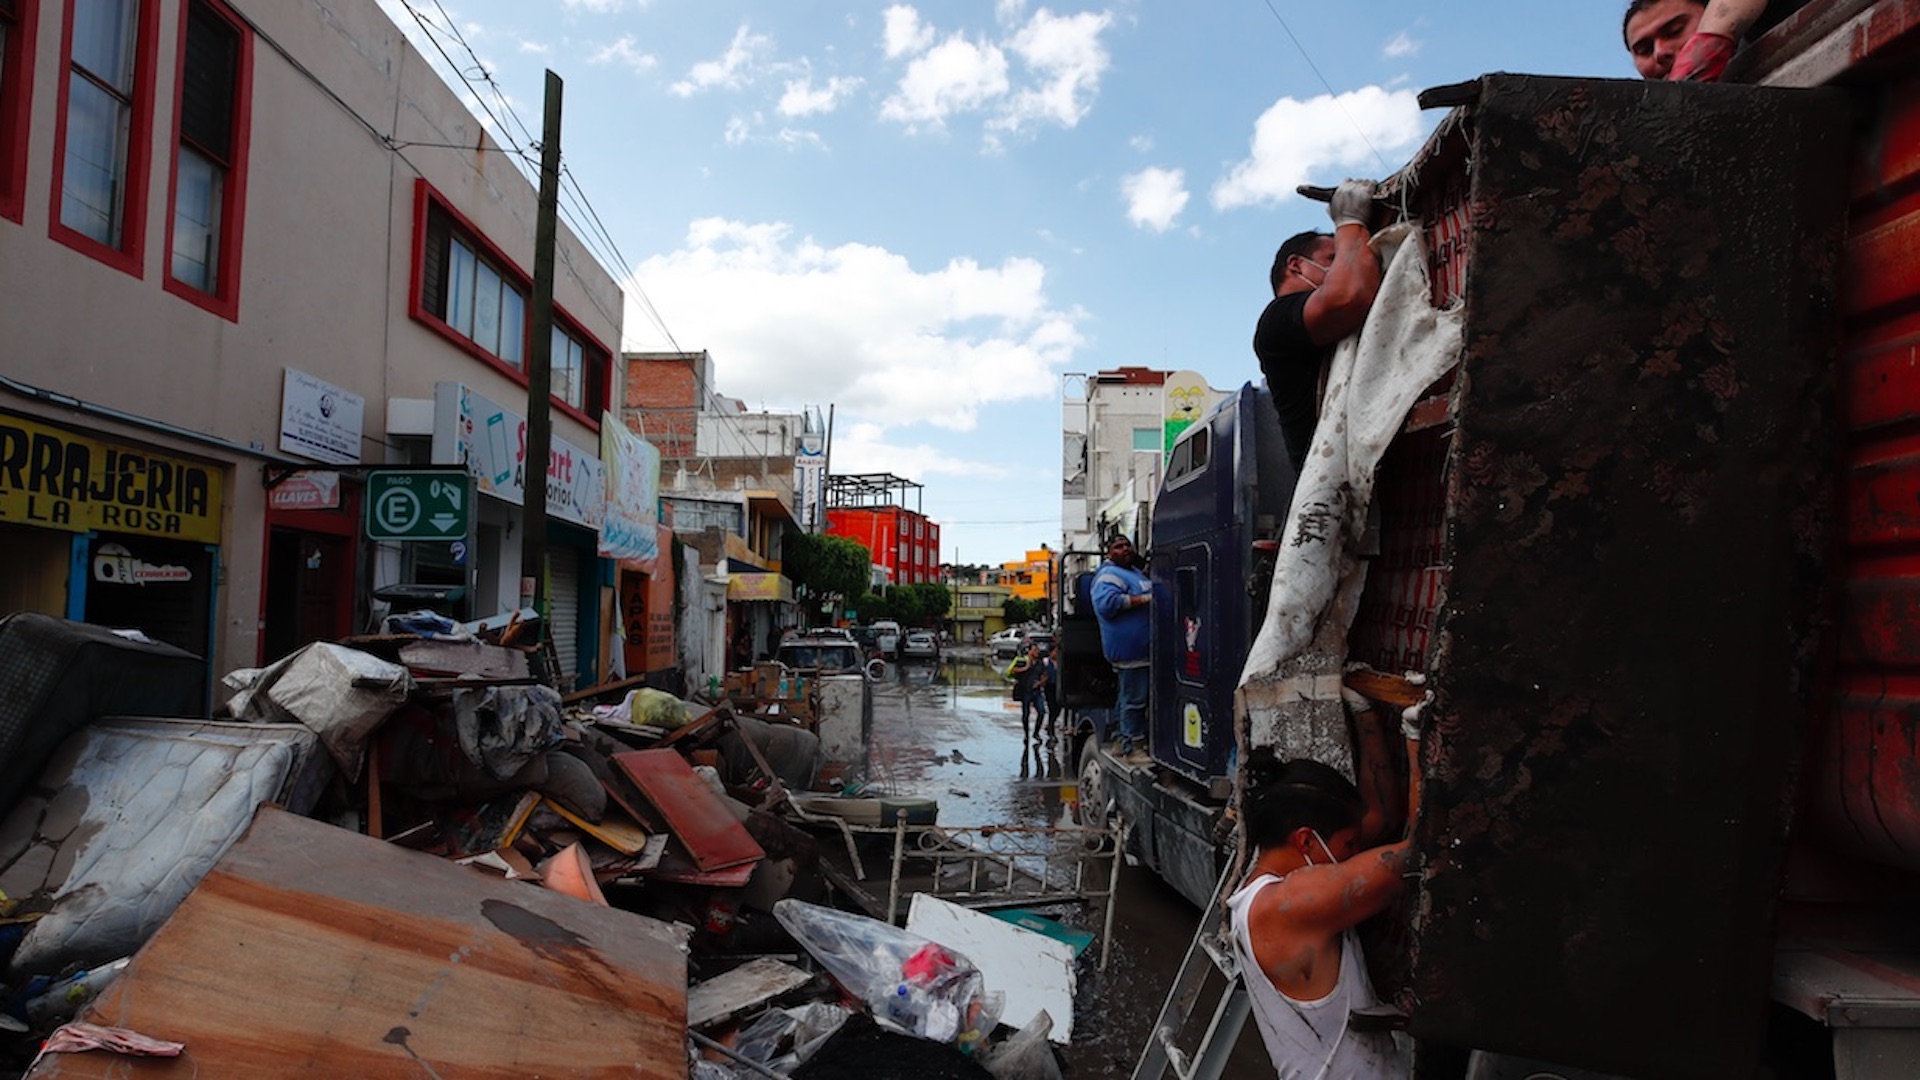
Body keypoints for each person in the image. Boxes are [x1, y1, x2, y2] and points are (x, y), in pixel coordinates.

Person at [1229, 688, 1421, 1078]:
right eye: (1349, 845)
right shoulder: (1291, 905)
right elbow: (1418, 853)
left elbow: (1380, 819)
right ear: (1304, 840)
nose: (1355, 852)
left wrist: (1367, 717)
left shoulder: (1267, 887)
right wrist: (1419, 742)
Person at [1252, 179, 1383, 471]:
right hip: (1328, 482)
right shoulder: (1276, 320)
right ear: (1296, 265)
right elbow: (1348, 296)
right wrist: (1349, 223)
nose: (1344, 266)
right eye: (1333, 259)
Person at [1091, 533, 1153, 765]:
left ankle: (1120, 741)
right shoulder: (1108, 575)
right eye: (1119, 546)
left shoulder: (1134, 573)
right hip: (1130, 652)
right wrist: (1145, 600)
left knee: (1128, 698)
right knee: (1134, 700)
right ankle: (1133, 747)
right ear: (1109, 553)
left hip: (1142, 651)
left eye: (1128, 545)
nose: (1125, 549)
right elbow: (1107, 604)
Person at [1623, 0, 1794, 82]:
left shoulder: (1761, 32)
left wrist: (1711, 37)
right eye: (1644, 50)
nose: (1659, 52)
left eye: (1675, 31)